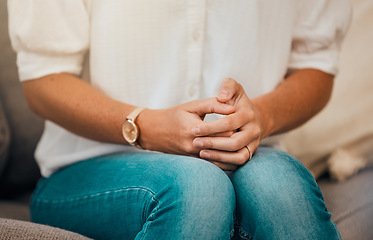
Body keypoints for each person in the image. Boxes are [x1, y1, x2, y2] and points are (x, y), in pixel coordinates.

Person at [8, 0, 351, 239]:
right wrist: (145, 126)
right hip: (88, 167)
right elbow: (43, 81)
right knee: (196, 189)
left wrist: (264, 115)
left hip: (251, 157)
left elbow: (316, 63)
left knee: (281, 189)